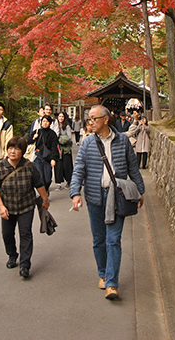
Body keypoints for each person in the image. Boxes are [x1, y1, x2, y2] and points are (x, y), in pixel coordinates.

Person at [70, 105, 145, 301]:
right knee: (99, 239)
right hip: (95, 196)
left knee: (113, 239)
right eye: (89, 119)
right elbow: (79, 168)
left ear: (105, 119)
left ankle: (112, 283)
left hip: (117, 196)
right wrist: (75, 192)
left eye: (94, 118)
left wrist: (140, 190)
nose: (90, 122)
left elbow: (133, 168)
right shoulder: (87, 143)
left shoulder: (123, 141)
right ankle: (102, 273)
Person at [0, 136, 50, 279]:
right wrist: (1, 207)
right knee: (7, 234)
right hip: (7, 207)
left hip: (26, 206)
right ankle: (12, 255)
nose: (13, 151)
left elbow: (39, 184)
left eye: (17, 149)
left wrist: (45, 200)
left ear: (22, 151)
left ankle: (25, 264)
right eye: (10, 148)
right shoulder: (0, 166)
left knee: (25, 234)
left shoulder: (30, 166)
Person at [27, 115, 58, 194]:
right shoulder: (37, 132)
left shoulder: (52, 134)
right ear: (41, 122)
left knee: (47, 179)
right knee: (40, 176)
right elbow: (28, 141)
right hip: (38, 156)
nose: (45, 123)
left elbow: (54, 147)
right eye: (43, 121)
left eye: (47, 121)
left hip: (48, 157)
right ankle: (43, 193)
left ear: (50, 123)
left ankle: (46, 189)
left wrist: (54, 158)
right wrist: (33, 138)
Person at [53, 111, 74, 191]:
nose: (61, 118)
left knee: (67, 166)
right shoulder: (55, 126)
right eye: (59, 116)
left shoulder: (67, 126)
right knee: (58, 166)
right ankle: (59, 183)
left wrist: (61, 139)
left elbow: (69, 138)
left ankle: (69, 181)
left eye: (62, 116)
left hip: (66, 150)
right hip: (58, 149)